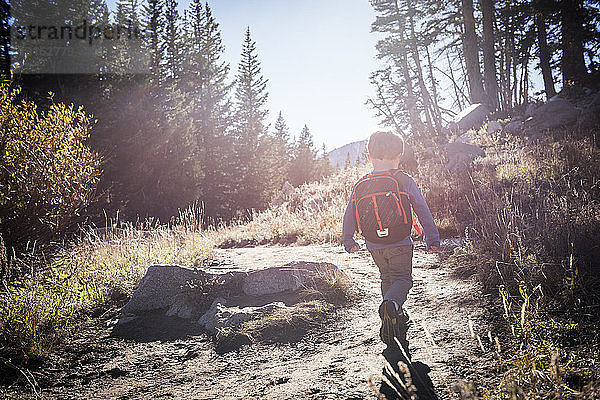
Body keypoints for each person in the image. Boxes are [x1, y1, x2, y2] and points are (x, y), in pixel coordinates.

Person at [342, 131, 440, 354]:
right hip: (400, 241)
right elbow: (422, 210)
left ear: (369, 157)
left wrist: (349, 240)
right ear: (399, 156)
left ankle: (393, 318)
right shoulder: (403, 179)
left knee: (387, 277)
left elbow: (349, 214)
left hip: (374, 244)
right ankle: (392, 306)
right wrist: (431, 238)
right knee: (403, 279)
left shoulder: (361, 184)